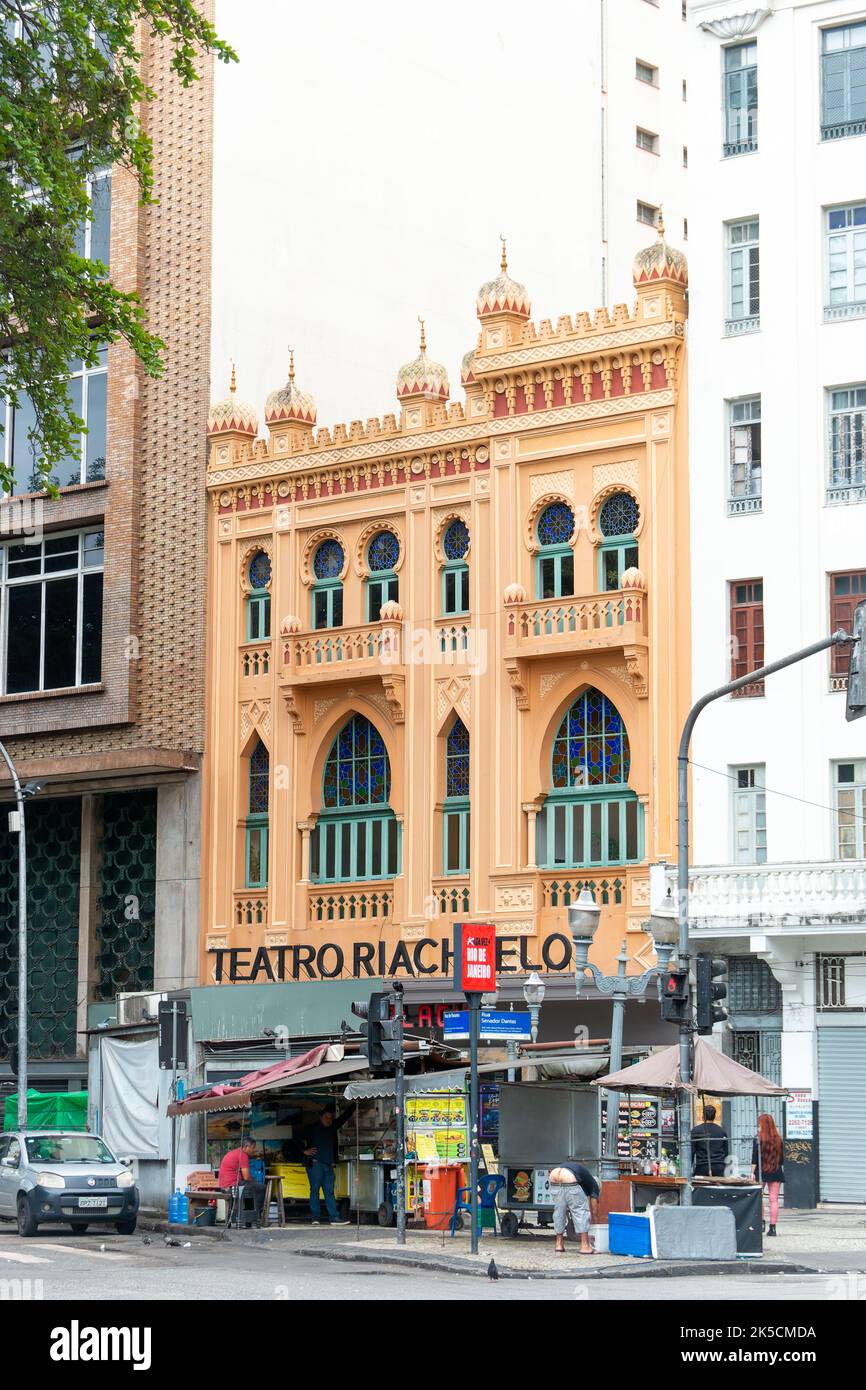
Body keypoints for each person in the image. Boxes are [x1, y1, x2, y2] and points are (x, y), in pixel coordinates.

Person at [303, 1105, 355, 1226]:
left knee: (330, 1191)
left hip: (328, 1165)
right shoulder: (312, 1128)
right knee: (314, 1191)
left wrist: (353, 1105)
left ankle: (334, 1217)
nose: (329, 1120)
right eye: (326, 1117)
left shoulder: (332, 1127)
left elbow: (343, 1118)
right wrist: (303, 1151)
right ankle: (315, 1217)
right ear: (321, 1117)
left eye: (331, 1118)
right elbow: (293, 1139)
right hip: (315, 1164)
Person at [548, 1162, 600, 1255]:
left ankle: (559, 1244)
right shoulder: (594, 1185)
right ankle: (585, 1246)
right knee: (581, 1211)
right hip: (569, 1178)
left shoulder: (584, 1176)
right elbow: (594, 1207)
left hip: (554, 1176)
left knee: (559, 1211)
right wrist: (595, 1221)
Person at [218, 1137, 265, 1225]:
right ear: (246, 1147)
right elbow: (246, 1177)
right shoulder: (243, 1155)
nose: (254, 1150)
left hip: (224, 1186)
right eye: (253, 1147)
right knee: (261, 1187)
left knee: (250, 1187)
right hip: (231, 1186)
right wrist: (254, 1181)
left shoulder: (235, 1152)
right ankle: (254, 1215)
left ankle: (249, 1218)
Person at [751, 1112, 784, 1236]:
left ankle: (761, 1223)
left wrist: (752, 1173)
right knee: (773, 1200)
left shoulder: (758, 1138)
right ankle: (773, 1228)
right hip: (775, 1170)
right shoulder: (778, 1139)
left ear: (762, 1124)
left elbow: (754, 1158)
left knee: (759, 1198)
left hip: (761, 1171)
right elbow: (782, 1160)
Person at [690, 1104, 729, 1178]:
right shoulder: (722, 1131)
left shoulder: (696, 1130)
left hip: (702, 1166)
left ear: (703, 1116)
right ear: (714, 1116)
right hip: (719, 1166)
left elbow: (691, 1152)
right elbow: (726, 1152)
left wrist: (689, 1168)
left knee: (700, 1188)